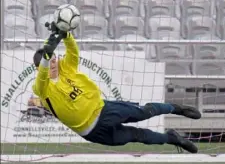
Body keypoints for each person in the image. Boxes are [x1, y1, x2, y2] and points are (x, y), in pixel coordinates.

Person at [32, 23, 201, 154]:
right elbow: (42, 78)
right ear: (38, 68)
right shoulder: (42, 89)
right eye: (47, 63)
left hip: (104, 110)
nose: (52, 64)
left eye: (54, 60)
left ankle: (176, 108)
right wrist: (46, 56)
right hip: (92, 133)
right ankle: (172, 139)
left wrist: (65, 33)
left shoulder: (66, 68)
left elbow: (73, 51)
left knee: (143, 112)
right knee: (137, 136)